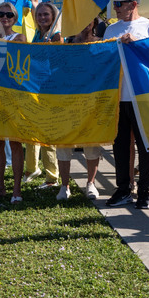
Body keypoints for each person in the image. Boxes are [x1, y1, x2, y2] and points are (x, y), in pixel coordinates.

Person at [104, 0, 149, 209]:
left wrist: (137, 41)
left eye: (119, 4)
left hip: (142, 96)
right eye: (114, 4)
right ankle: (123, 189)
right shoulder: (111, 30)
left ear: (133, 5)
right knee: (120, 146)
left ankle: (144, 191)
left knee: (145, 145)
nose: (115, 8)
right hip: (118, 96)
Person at [56, 17, 106, 201]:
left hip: (91, 104)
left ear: (93, 23)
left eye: (88, 20)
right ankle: (64, 186)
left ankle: (91, 184)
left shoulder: (101, 45)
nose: (85, 24)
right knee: (63, 146)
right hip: (66, 103)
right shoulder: (63, 44)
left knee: (92, 146)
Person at [0, 1, 27, 204]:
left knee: (15, 143)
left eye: (9, 15)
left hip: (14, 97)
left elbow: (19, 60)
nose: (5, 18)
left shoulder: (19, 37)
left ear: (15, 18)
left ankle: (16, 189)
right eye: (0, 14)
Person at [23, 1, 62, 186]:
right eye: (39, 15)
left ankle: (52, 177)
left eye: (46, 14)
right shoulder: (37, 34)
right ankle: (32, 168)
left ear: (53, 17)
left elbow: (60, 60)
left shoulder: (56, 36)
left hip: (50, 91)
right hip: (35, 89)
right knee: (32, 130)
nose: (42, 18)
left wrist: (50, 48)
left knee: (48, 134)